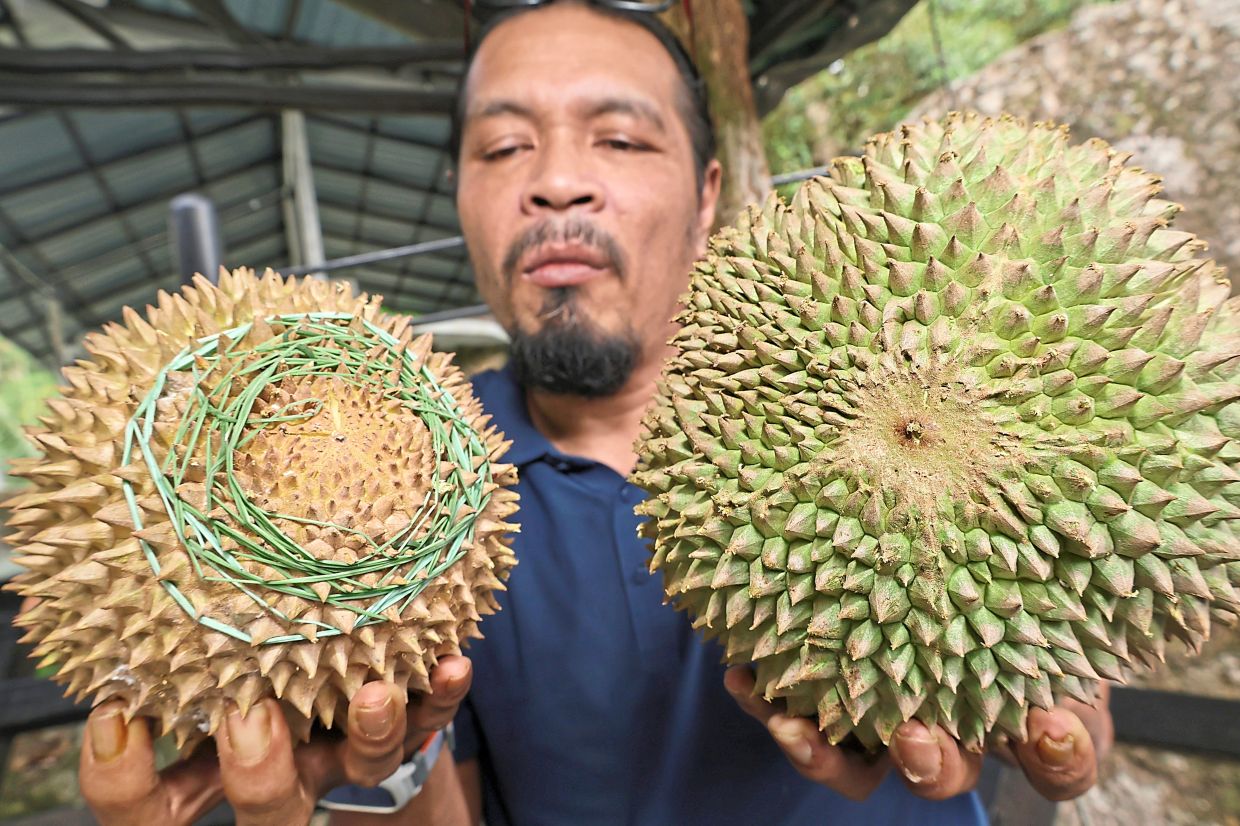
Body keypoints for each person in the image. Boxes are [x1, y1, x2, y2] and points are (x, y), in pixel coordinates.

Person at [73, 2, 1113, 824]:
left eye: (616, 138)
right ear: (461, 202)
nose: (556, 182)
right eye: (501, 149)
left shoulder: (887, 375)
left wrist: (1061, 690)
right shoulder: (438, 482)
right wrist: (374, 771)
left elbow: (1068, 633)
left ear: (707, 195)